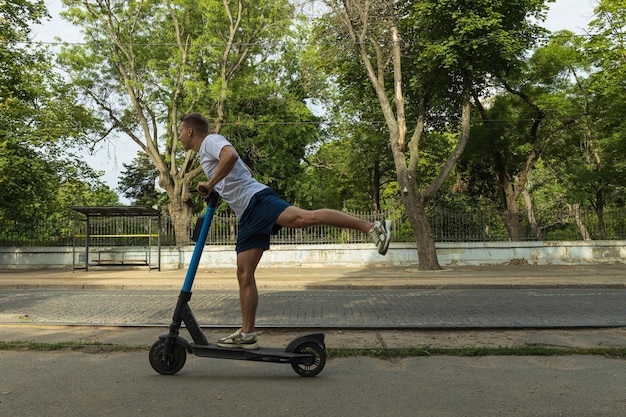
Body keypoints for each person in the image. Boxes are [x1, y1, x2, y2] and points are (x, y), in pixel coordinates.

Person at [178, 112, 391, 350]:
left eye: (179, 132)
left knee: (303, 218)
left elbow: (232, 155)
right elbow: (246, 170)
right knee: (243, 273)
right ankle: (247, 333)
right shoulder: (208, 152)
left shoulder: (210, 142)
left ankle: (372, 227)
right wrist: (220, 186)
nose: (178, 138)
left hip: (256, 201)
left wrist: (211, 183)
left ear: (190, 131)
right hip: (247, 214)